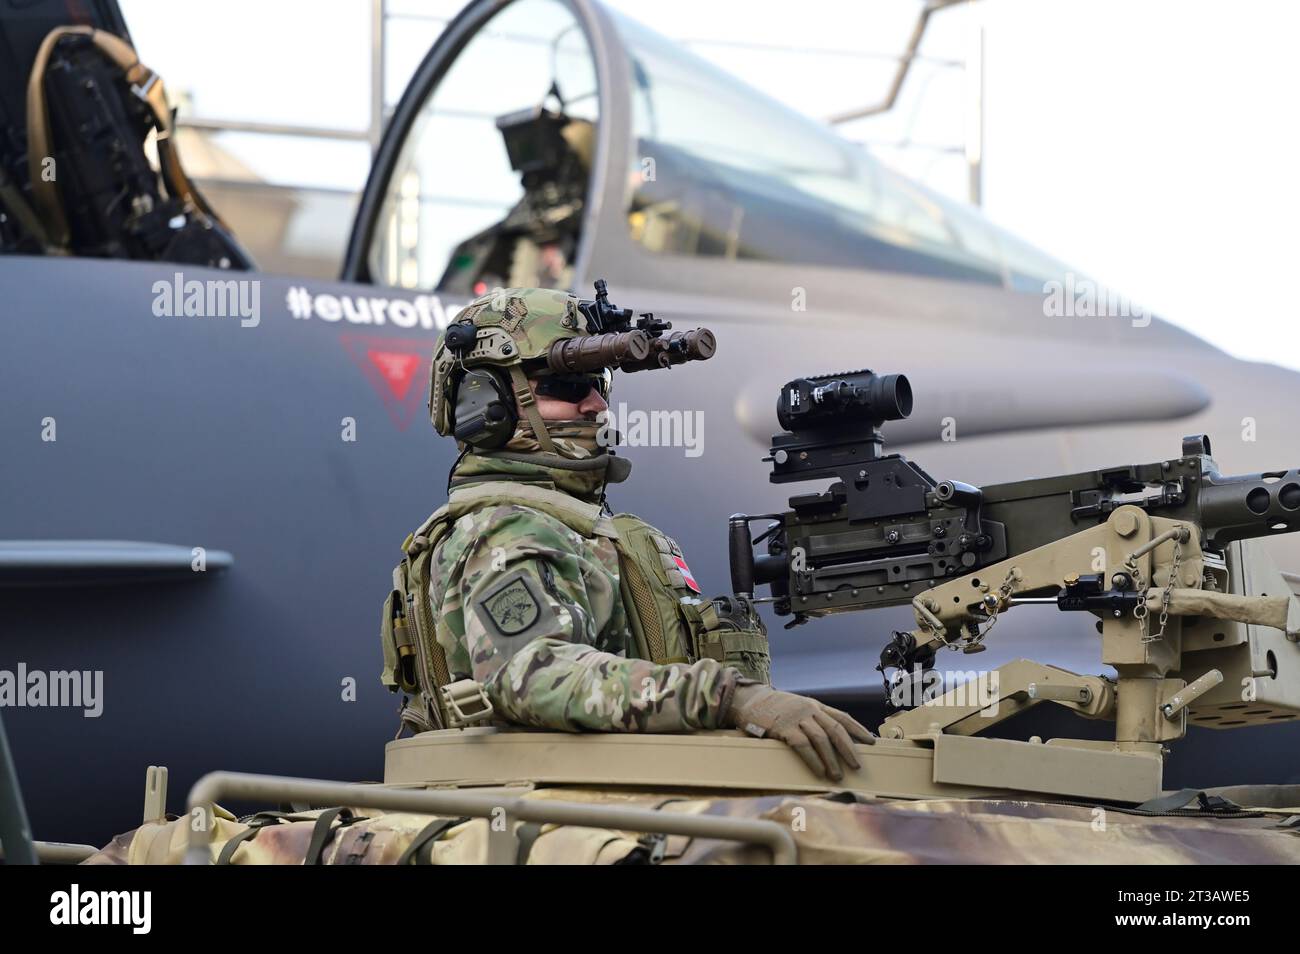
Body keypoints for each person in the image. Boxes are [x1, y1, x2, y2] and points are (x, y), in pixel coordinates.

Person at [381, 286, 874, 780]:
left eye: (599, 384)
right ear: (485, 403)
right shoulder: (505, 530)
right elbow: (531, 675)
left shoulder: (580, 528)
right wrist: (730, 698)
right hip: (558, 820)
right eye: (569, 387)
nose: (596, 405)